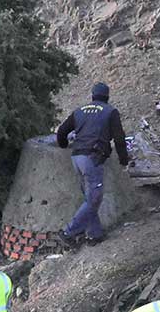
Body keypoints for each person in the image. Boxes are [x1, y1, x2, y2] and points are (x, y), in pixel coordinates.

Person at [55, 82, 130, 246]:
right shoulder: (111, 112)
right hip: (92, 158)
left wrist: (62, 145)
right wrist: (124, 159)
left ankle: (94, 234)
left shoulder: (79, 111)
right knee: (94, 199)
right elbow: (119, 138)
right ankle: (68, 232)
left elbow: (61, 132)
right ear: (107, 97)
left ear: (92, 96)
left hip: (76, 158)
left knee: (90, 198)